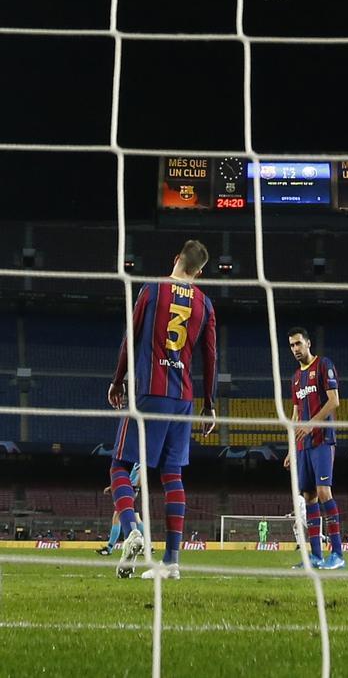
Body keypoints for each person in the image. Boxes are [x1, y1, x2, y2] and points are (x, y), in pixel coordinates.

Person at [107, 240, 217, 580]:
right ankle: (172, 562)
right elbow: (211, 356)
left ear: (176, 259)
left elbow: (131, 336)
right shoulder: (205, 304)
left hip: (150, 392)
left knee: (120, 465)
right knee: (173, 474)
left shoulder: (152, 290)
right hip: (183, 397)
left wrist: (117, 380)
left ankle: (132, 530)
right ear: (199, 271)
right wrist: (209, 404)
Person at [282, 326, 345, 571]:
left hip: (322, 439)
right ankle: (316, 556)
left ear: (308, 343)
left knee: (324, 492)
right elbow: (296, 414)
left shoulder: (323, 365)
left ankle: (338, 553)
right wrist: (290, 448)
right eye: (291, 345)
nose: (295, 349)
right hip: (303, 444)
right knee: (308, 497)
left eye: (298, 343)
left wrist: (310, 425)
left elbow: (334, 400)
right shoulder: (296, 378)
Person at [97, 462, 144, 556]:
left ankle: (109, 548)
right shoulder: (138, 460)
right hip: (130, 490)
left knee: (116, 518)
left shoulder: (137, 461)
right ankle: (146, 546)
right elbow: (130, 479)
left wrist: (136, 488)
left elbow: (141, 475)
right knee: (137, 519)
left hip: (128, 491)